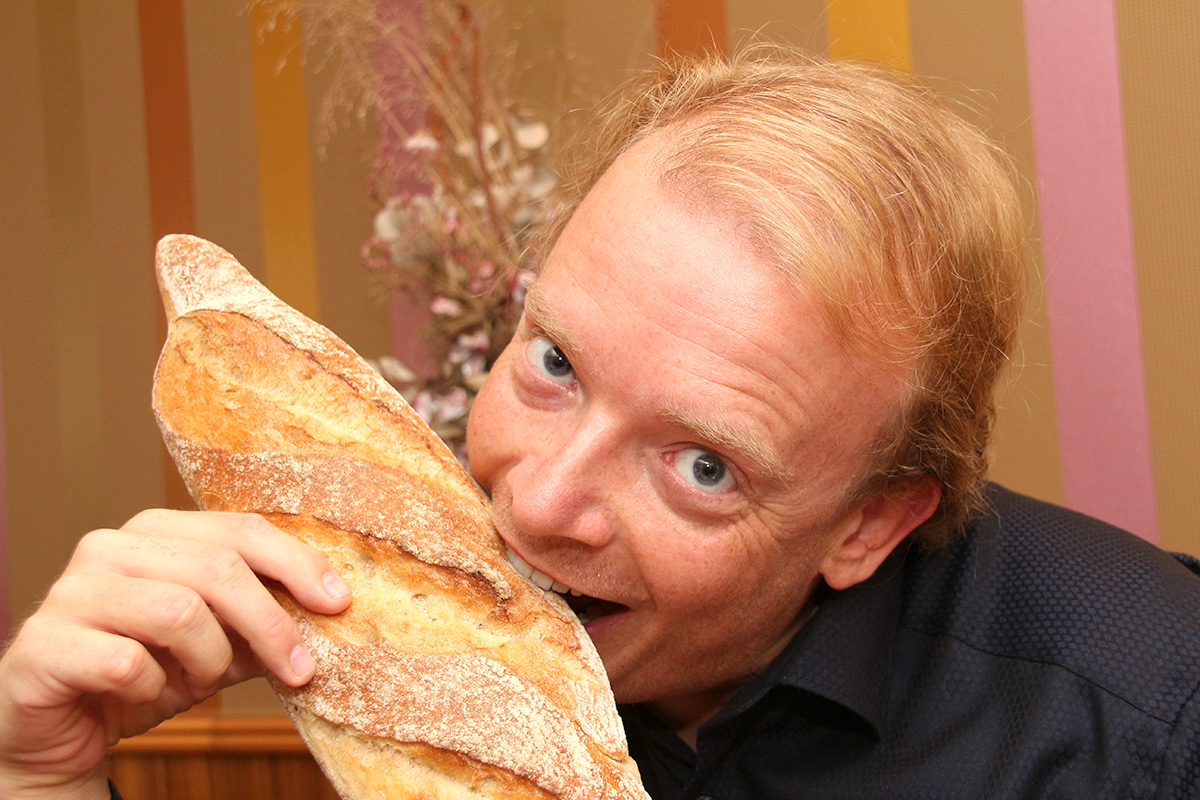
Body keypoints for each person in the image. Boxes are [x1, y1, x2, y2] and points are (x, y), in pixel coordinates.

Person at [2, 53, 1198, 800]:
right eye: (557, 362)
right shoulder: (432, 711)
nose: (534, 504)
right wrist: (39, 773)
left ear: (870, 520)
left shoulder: (1155, 718)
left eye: (702, 464)